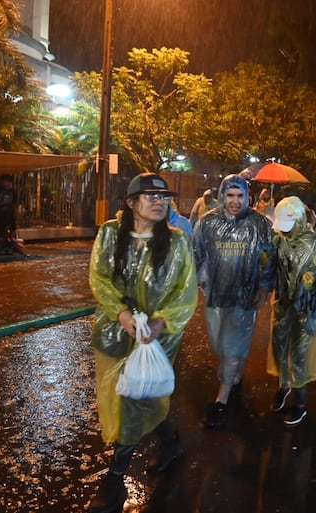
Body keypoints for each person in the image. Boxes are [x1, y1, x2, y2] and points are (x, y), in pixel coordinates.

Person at [87, 172, 197, 513]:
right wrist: (121, 315)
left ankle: (115, 481)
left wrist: (160, 322)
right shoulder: (109, 234)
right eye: (149, 196)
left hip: (158, 336)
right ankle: (171, 442)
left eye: (163, 197)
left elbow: (186, 289)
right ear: (131, 202)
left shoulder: (177, 241)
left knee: (135, 397)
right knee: (143, 393)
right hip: (116, 330)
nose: (158, 201)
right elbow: (99, 277)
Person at [193, 174, 276, 428]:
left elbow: (268, 257)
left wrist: (264, 286)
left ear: (248, 197)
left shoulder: (259, 223)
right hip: (216, 295)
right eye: (230, 195)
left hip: (245, 295)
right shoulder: (207, 223)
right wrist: (199, 280)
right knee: (220, 344)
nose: (235, 201)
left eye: (240, 195)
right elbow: (197, 254)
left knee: (231, 347)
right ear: (222, 195)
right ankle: (234, 374)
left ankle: (222, 399)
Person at [267, 197, 316, 425]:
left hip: (305, 308)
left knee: (299, 353)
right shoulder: (279, 240)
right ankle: (285, 386)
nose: (285, 231)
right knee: (280, 347)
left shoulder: (313, 242)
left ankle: (301, 401)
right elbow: (271, 266)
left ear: (299, 220)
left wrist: (313, 279)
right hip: (283, 304)